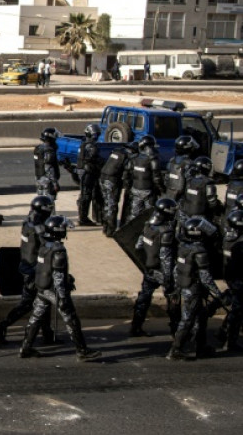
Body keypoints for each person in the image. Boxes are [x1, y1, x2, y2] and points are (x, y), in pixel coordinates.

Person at [19, 215, 102, 361]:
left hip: (42, 289)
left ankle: (25, 348)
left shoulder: (44, 245)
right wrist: (63, 297)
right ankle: (82, 351)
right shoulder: (59, 251)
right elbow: (58, 276)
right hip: (53, 291)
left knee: (35, 318)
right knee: (71, 319)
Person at [0, 196, 59, 345]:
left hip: (27, 265)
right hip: (35, 269)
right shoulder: (38, 226)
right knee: (28, 303)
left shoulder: (28, 222)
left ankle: (47, 333)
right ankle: (0, 327)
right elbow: (46, 243)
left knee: (43, 300)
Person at [168, 217, 226, 361]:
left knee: (201, 318)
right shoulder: (200, 252)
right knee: (187, 319)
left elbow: (177, 270)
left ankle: (201, 347)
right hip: (193, 290)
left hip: (186, 286)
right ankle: (175, 349)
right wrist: (218, 294)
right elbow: (205, 277)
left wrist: (177, 287)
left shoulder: (183, 246)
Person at [130, 198, 180, 337]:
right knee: (173, 299)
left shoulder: (147, 226)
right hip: (162, 271)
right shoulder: (166, 232)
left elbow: (138, 246)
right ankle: (177, 332)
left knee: (144, 298)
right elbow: (166, 258)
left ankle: (136, 326)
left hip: (149, 268)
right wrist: (169, 279)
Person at [216, 210, 243, 352]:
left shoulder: (228, 237)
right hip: (238, 278)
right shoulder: (239, 242)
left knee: (235, 307)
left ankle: (223, 331)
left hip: (231, 276)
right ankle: (229, 341)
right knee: (237, 310)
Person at [98, 142, 137, 236]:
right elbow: (126, 172)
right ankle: (110, 231)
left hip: (102, 179)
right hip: (112, 181)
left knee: (106, 204)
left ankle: (105, 227)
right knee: (112, 205)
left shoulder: (117, 151)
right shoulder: (128, 156)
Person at [124, 135, 165, 223]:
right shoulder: (152, 159)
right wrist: (162, 190)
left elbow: (127, 174)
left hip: (135, 189)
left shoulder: (134, 158)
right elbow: (157, 178)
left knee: (134, 214)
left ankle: (131, 232)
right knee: (150, 214)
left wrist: (128, 188)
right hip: (148, 191)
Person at [178, 156, 220, 228]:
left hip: (186, 216)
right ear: (206, 168)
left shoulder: (188, 180)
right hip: (201, 218)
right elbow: (213, 203)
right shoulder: (208, 183)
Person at [77, 124, 102, 226]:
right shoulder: (90, 146)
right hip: (87, 173)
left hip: (83, 171)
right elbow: (93, 158)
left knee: (84, 195)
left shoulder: (84, 144)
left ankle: (83, 217)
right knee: (86, 196)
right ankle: (83, 218)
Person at [163, 136, 199, 201]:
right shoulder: (190, 164)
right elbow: (191, 185)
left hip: (169, 195)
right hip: (182, 199)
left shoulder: (172, 160)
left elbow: (166, 179)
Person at [33, 127, 60, 202]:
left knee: (41, 201)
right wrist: (55, 183)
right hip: (47, 182)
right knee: (49, 204)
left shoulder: (39, 148)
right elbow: (49, 167)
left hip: (39, 179)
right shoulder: (49, 150)